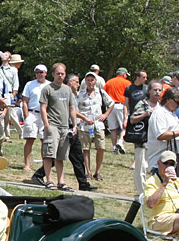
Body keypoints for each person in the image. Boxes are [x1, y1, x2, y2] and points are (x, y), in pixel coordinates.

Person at [39, 63, 77, 191]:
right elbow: (43, 108)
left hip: (64, 127)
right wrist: (47, 125)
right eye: (58, 73)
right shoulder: (47, 89)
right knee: (49, 154)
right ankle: (49, 180)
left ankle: (61, 181)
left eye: (62, 74)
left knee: (61, 156)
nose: (60, 76)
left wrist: (75, 124)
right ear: (53, 74)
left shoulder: (67, 90)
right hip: (53, 125)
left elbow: (72, 108)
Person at [147, 87, 179, 175]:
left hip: (175, 162)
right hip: (163, 163)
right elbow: (161, 135)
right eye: (178, 102)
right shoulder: (159, 113)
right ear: (168, 100)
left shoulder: (172, 114)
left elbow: (173, 133)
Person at [77, 72, 114, 180]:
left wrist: (105, 115)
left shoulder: (101, 93)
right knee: (86, 148)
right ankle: (88, 171)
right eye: (88, 80)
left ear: (95, 82)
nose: (90, 82)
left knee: (101, 147)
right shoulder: (80, 94)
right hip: (85, 125)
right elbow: (74, 108)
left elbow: (111, 103)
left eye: (92, 80)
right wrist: (83, 118)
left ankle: (98, 171)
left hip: (98, 125)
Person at [21, 64, 49, 171]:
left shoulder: (50, 85)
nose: (39, 74)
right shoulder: (30, 84)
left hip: (45, 115)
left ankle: (44, 166)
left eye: (41, 72)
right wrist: (26, 115)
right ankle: (27, 164)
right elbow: (25, 101)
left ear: (45, 73)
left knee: (44, 140)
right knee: (30, 139)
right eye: (37, 72)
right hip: (32, 113)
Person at [104, 67, 131, 154]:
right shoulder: (127, 83)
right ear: (124, 74)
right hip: (121, 106)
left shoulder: (109, 82)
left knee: (113, 129)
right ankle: (120, 141)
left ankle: (114, 147)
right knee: (124, 126)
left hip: (110, 106)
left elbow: (103, 93)